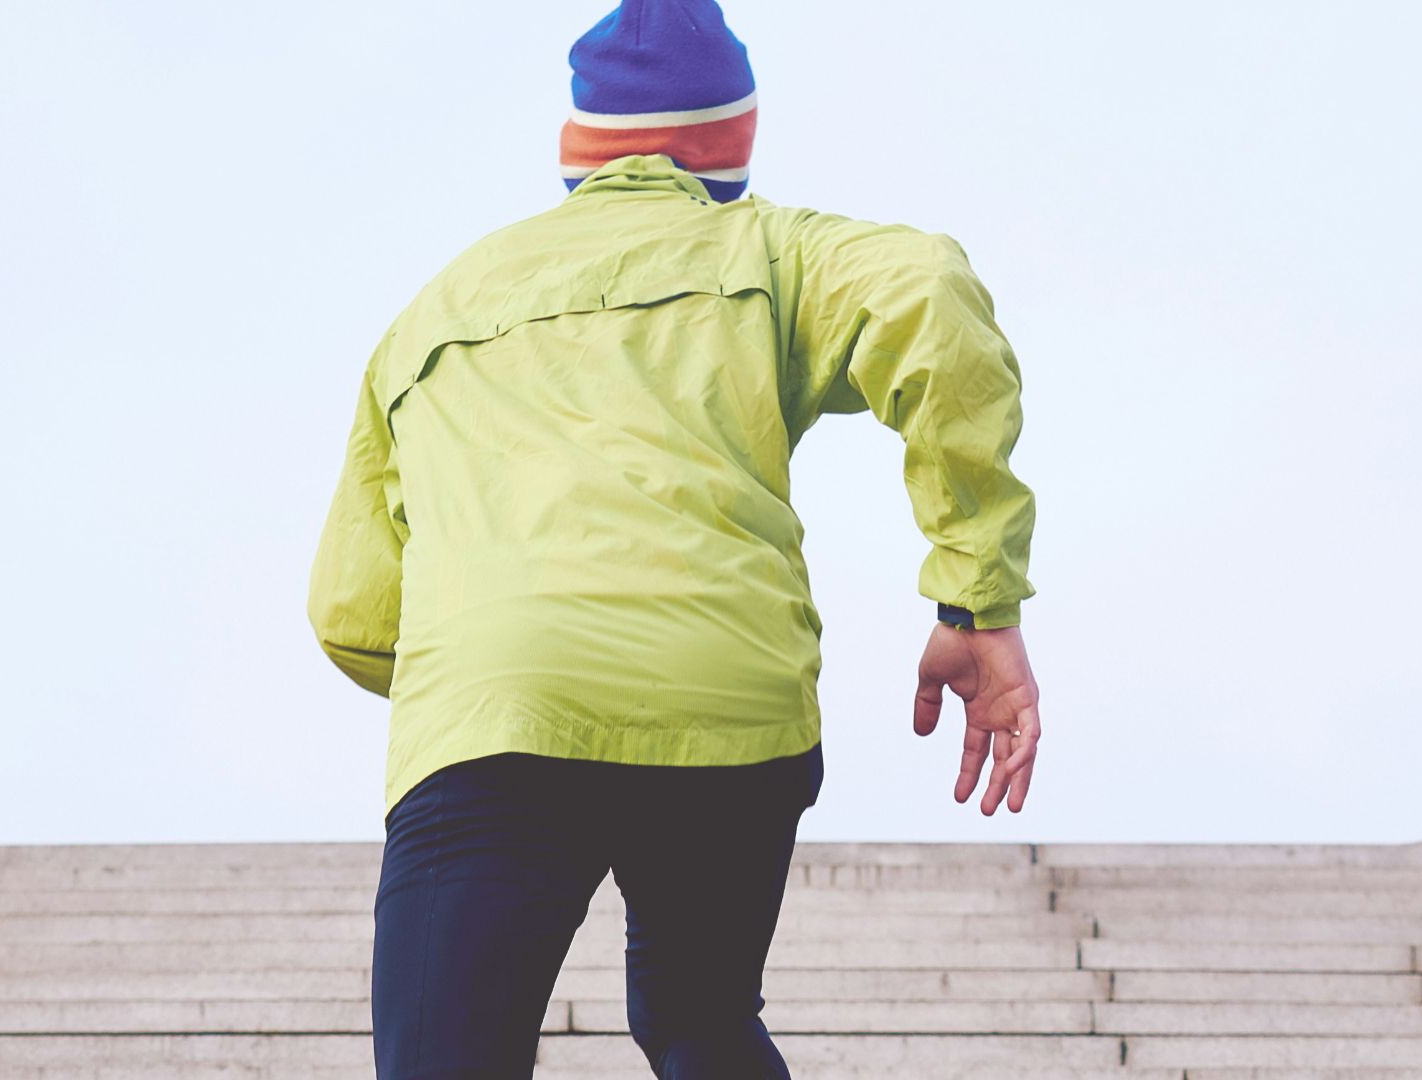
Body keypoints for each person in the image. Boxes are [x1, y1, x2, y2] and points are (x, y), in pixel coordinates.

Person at [307, 1, 1042, 1076]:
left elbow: (353, 615)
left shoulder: (434, 311)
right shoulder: (767, 248)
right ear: (730, 142)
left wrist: (493, 658)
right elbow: (926, 288)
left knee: (443, 1055)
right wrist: (976, 599)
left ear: (576, 145)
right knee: (697, 1017)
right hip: (726, 699)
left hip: (496, 703)